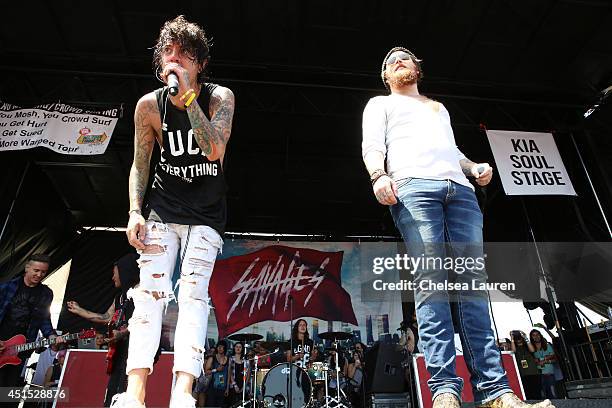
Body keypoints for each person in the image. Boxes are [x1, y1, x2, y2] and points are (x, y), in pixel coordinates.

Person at [361, 46, 554, 408]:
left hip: (461, 192)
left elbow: (452, 150)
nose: (398, 61)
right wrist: (378, 175)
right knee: (432, 283)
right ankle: (445, 391)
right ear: (386, 76)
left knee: (473, 287)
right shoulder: (379, 104)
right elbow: (371, 145)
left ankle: (496, 392)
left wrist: (472, 167)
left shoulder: (438, 108)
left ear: (418, 69)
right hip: (413, 188)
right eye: (390, 61)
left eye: (406, 57)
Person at [115, 14, 234, 408]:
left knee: (193, 297)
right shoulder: (149, 106)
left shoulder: (220, 97)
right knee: (148, 295)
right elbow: (140, 162)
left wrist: (187, 99)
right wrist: (135, 211)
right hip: (163, 210)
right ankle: (135, 391)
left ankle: (182, 390)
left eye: (184, 55)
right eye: (168, 53)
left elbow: (213, 148)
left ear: (199, 63)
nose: (175, 60)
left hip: (206, 215)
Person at [67, 253, 141, 406]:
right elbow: (106, 317)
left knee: (127, 391)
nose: (113, 278)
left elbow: (143, 320)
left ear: (126, 272)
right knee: (113, 392)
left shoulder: (142, 294)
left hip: (135, 352)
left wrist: (122, 333)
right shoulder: (120, 297)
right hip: (119, 351)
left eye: (115, 274)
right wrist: (80, 310)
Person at [0, 254, 64, 391]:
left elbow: (44, 319)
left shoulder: (46, 293)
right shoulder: (7, 287)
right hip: (2, 342)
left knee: (8, 390)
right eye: (36, 270)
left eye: (43, 272)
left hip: (22, 347)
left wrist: (51, 336)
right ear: (27, 268)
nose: (39, 274)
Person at [510, 330, 541, 400]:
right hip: (523, 374)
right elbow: (513, 351)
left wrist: (525, 337)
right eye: (516, 338)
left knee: (537, 394)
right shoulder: (515, 348)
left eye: (519, 337)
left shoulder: (527, 346)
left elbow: (532, 350)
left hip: (533, 373)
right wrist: (512, 338)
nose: (518, 339)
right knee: (528, 395)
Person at [530, 330, 557, 399]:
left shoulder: (546, 345)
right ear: (531, 337)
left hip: (549, 372)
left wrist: (541, 360)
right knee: (542, 395)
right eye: (534, 335)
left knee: (552, 394)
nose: (536, 336)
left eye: (537, 334)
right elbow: (532, 360)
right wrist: (544, 359)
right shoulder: (531, 347)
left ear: (540, 335)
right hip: (538, 373)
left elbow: (553, 355)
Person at [204, 341, 229, 407]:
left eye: (222, 347)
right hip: (212, 386)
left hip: (223, 387)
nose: (220, 348)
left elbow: (229, 374)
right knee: (211, 405)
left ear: (225, 348)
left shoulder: (228, 359)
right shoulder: (212, 358)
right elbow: (206, 372)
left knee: (220, 405)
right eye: (219, 346)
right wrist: (216, 370)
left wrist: (227, 388)